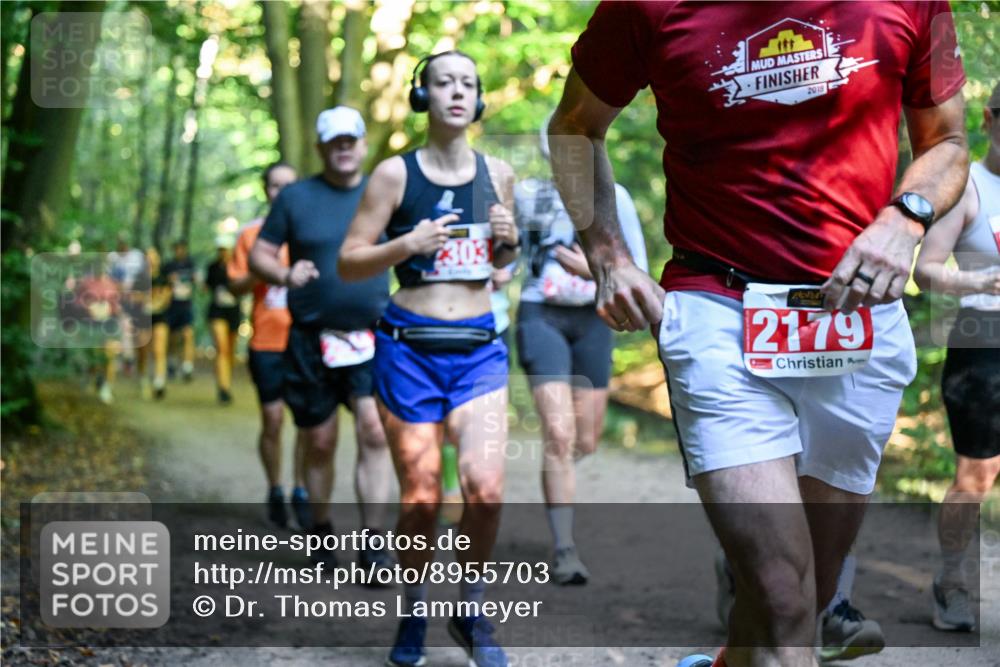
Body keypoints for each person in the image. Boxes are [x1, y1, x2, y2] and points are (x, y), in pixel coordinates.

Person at [551, 4, 968, 666]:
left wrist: (905, 217)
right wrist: (608, 254)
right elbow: (574, 127)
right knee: (781, 600)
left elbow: (947, 141)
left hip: (853, 315)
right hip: (717, 310)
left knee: (809, 594)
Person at [339, 49, 519, 667]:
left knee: (486, 489)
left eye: (468, 83)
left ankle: (469, 606)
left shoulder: (498, 174)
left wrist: (509, 244)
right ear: (424, 96)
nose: (457, 93)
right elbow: (349, 258)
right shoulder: (394, 175)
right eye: (444, 82)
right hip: (408, 349)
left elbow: (502, 269)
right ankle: (414, 606)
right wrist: (405, 244)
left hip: (478, 351)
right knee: (420, 496)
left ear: (479, 98)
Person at [250, 107, 395, 569]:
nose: (344, 147)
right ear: (320, 148)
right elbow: (261, 253)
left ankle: (373, 543)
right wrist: (284, 272)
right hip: (311, 339)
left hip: (371, 336)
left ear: (363, 143)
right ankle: (321, 529)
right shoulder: (295, 197)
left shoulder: (385, 191)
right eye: (335, 141)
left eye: (351, 139)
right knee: (321, 441)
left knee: (375, 430)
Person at [515, 117, 648, 584]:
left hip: (593, 321)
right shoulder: (528, 197)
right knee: (558, 433)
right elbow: (503, 255)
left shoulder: (617, 200)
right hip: (541, 316)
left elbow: (638, 269)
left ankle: (560, 488)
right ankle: (564, 548)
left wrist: (592, 268)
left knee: (584, 440)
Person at [915, 83, 1000, 634]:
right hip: (982, 337)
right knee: (977, 475)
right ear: (991, 119)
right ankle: (952, 581)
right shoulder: (970, 185)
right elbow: (926, 268)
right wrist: (978, 280)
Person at [229, 160, 311, 530]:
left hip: (306, 340)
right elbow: (234, 287)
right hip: (265, 340)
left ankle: (301, 491)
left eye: (288, 186)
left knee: (309, 423)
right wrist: (263, 269)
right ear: (266, 191)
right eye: (275, 186)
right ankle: (276, 488)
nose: (281, 192)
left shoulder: (309, 230)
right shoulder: (251, 235)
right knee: (273, 420)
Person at [205, 237, 240, 405]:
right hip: (217, 311)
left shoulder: (239, 266)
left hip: (233, 312)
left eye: (225, 249)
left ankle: (226, 381)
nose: (223, 252)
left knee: (230, 351)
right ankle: (223, 387)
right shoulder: (212, 267)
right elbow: (206, 287)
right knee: (222, 348)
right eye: (220, 249)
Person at [162, 240, 196, 383]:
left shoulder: (190, 265)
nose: (179, 251)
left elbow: (197, 282)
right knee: (172, 337)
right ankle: (171, 362)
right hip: (171, 306)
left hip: (186, 305)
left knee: (188, 334)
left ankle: (187, 366)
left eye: (181, 248)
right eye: (176, 249)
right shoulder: (168, 266)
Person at [146, 247, 173, 400]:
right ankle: (144, 376)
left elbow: (166, 298)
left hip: (160, 317)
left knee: (159, 349)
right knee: (145, 351)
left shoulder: (163, 278)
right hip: (143, 320)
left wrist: (154, 305)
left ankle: (159, 382)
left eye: (153, 257)